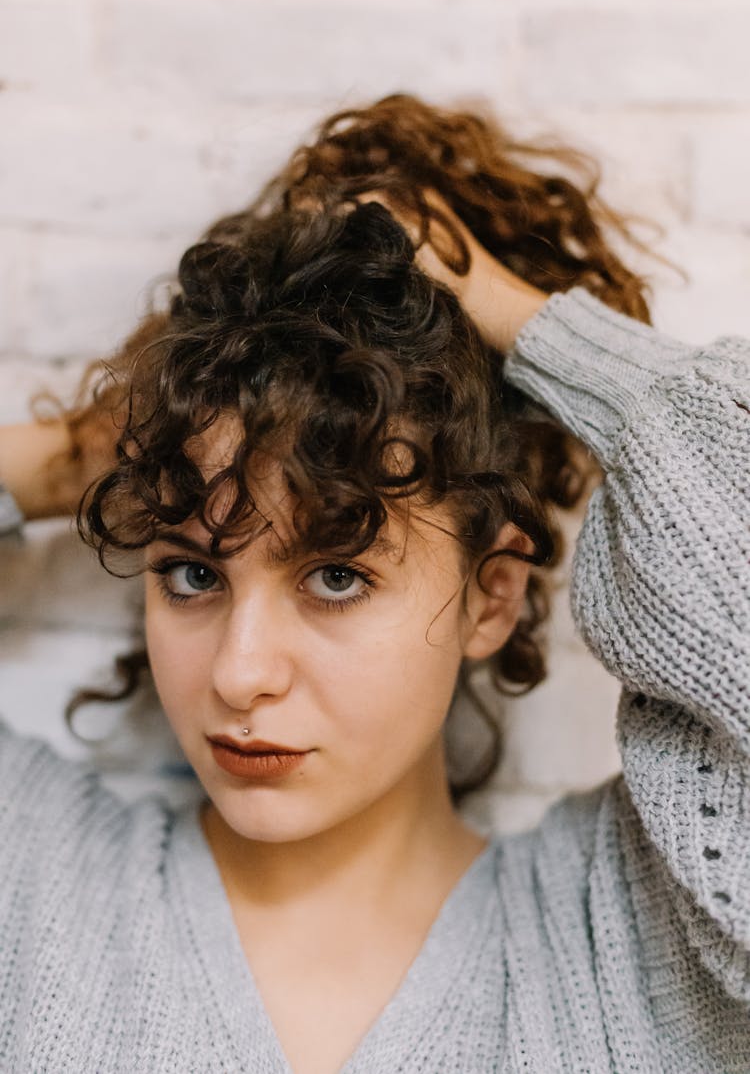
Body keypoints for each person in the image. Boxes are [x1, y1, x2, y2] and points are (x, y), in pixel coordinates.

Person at [0, 94, 748, 1074]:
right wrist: (74, 457)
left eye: (338, 576)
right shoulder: (32, 888)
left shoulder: (631, 946)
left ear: (492, 598)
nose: (240, 673)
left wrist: (525, 324)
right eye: (192, 572)